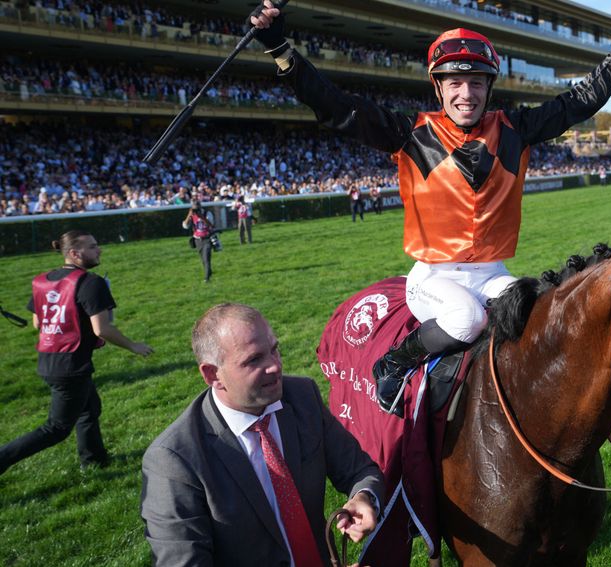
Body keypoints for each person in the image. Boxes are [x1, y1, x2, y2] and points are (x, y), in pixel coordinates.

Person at [251, 1, 611, 416]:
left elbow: (578, 102)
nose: (466, 93)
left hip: (492, 273)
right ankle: (394, 362)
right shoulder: (409, 133)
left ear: (488, 87)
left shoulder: (516, 129)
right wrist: (280, 48)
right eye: (454, 82)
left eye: (476, 82)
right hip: (433, 277)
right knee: (467, 320)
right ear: (438, 88)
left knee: (537, 315)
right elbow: (336, 106)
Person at [140, 303, 383, 566]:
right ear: (212, 374)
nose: (275, 366)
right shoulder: (174, 460)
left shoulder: (302, 397)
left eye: (274, 350)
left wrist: (364, 496)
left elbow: (359, 470)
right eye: (254, 359)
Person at [0, 230, 153, 475]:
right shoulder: (90, 282)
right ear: (74, 253)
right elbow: (102, 329)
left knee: (89, 408)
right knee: (56, 428)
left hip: (49, 359)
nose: (99, 249)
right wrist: (133, 346)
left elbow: (37, 324)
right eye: (92, 247)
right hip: (70, 364)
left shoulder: (43, 280)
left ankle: (94, 460)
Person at [182, 201, 215, 282]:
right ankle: (209, 272)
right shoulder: (192, 215)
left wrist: (202, 217)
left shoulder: (207, 213)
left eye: (197, 209)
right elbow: (185, 226)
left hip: (207, 238)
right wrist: (189, 215)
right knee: (203, 259)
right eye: (194, 209)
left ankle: (207, 278)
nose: (196, 211)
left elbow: (211, 225)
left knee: (206, 257)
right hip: (197, 239)